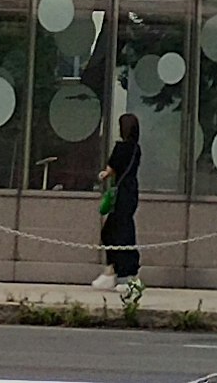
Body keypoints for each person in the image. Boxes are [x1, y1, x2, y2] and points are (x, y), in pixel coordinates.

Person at [93, 111, 144, 298]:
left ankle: (123, 274)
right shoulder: (136, 149)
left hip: (121, 193)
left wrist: (103, 175)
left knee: (116, 233)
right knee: (120, 230)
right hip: (131, 192)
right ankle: (113, 271)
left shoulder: (120, 148)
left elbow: (109, 170)